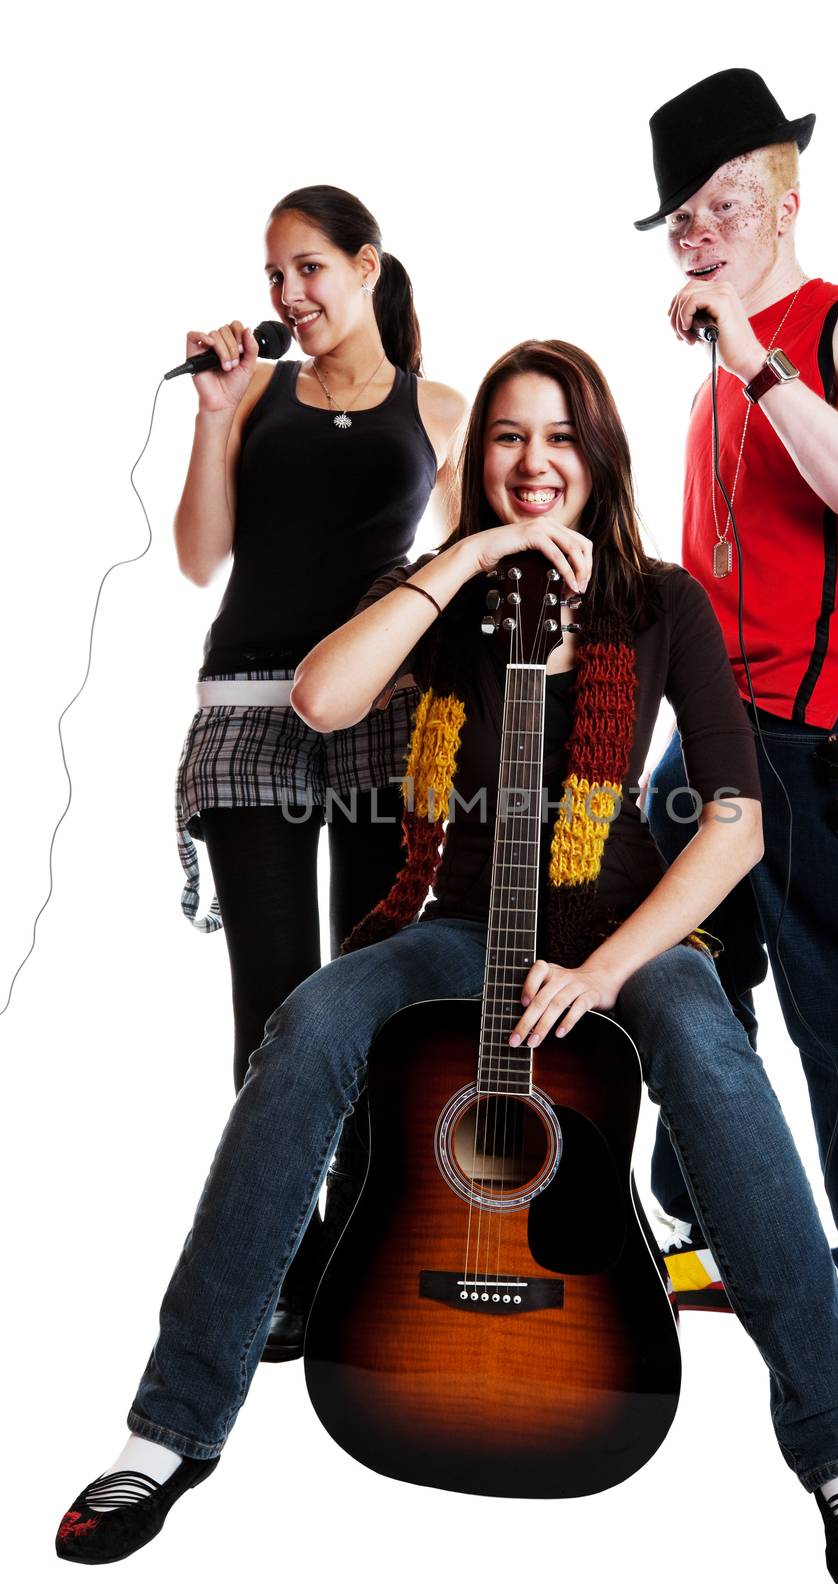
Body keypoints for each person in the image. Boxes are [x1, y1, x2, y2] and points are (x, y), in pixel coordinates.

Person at [57, 342, 838, 1584]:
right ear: (483, 462)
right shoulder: (446, 592)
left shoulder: (666, 604)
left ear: (598, 458)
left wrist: (608, 970)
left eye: (560, 439)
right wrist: (462, 559)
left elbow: (733, 820)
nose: (533, 463)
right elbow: (317, 699)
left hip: (625, 933)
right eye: (510, 439)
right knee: (308, 1022)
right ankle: (172, 1425)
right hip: (458, 921)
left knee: (706, 1047)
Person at [633, 69, 838, 1399]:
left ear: (782, 199)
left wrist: (756, 363)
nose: (701, 235)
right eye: (681, 220)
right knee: (675, 974)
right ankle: (710, 1225)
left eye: (723, 205)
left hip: (822, 738)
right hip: (707, 740)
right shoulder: (717, 378)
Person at [173, 184, 466, 1356]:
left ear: (367, 265)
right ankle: (284, 1254)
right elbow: (200, 558)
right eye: (274, 279)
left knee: (371, 988)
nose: (291, 297)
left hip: (378, 721)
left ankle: (363, 1233)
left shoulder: (441, 406)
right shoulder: (257, 397)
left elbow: (466, 571)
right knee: (278, 1000)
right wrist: (213, 410)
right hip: (248, 709)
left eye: (310, 271)